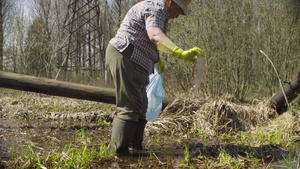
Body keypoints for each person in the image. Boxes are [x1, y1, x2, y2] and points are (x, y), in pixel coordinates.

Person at [105, 0, 205, 156]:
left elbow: (147, 37)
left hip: (137, 60)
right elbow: (154, 34)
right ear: (171, 2)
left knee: (142, 106)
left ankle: (134, 149)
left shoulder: (162, 13)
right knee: (130, 106)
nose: (178, 16)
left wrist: (156, 58)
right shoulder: (156, 7)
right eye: (179, 10)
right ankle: (118, 155)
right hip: (126, 54)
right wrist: (179, 52)